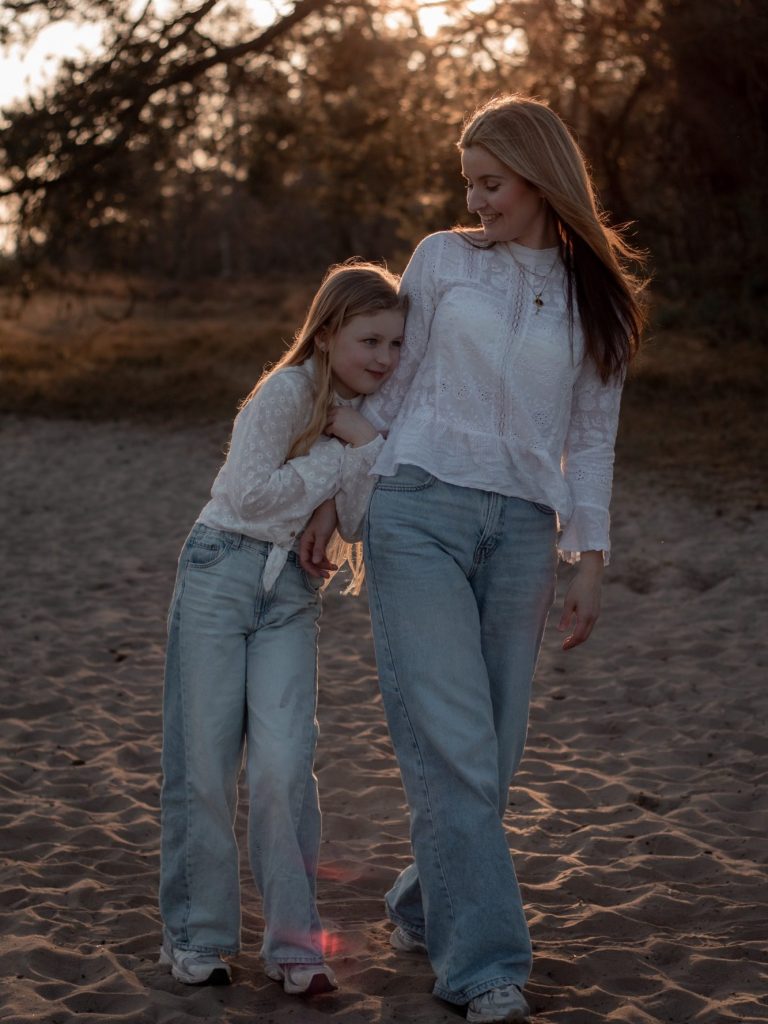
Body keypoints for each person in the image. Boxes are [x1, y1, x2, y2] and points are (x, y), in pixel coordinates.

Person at [301, 95, 646, 1023]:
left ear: (539, 178)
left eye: (491, 183)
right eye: (469, 184)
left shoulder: (591, 295)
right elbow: (394, 384)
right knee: (452, 744)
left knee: (493, 751)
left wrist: (592, 557)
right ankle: (484, 966)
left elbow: (593, 433)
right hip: (418, 508)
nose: (477, 200)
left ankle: (424, 899)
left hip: (528, 528)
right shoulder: (443, 260)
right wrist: (336, 493)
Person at [158, 261, 406, 995]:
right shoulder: (287, 390)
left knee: (283, 770)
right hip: (219, 572)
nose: (384, 360)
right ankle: (195, 937)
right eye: (370, 341)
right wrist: (339, 453)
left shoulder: (369, 418)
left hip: (294, 593)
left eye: (395, 344)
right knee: (202, 767)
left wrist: (356, 450)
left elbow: (358, 518)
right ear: (327, 335)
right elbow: (248, 493)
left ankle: (296, 947)